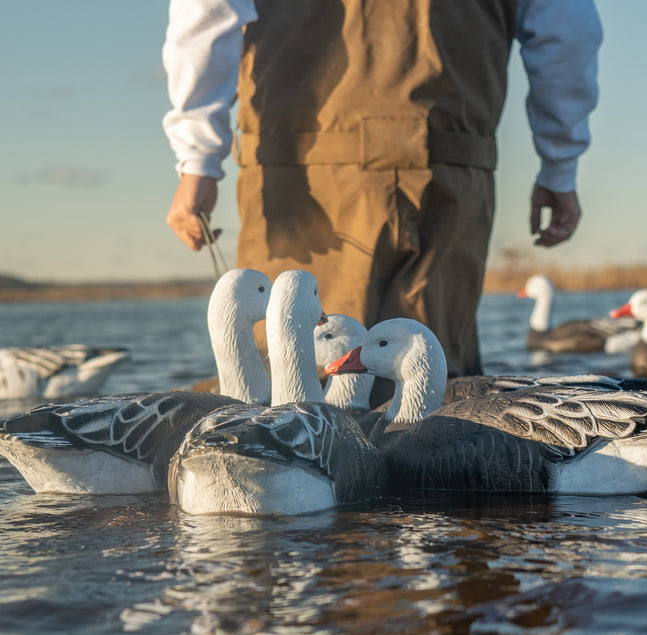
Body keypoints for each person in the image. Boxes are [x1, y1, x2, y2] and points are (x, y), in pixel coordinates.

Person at [163, 0, 602, 399]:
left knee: (293, 409)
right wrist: (560, 163)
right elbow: (565, 29)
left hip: (298, 181)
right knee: (434, 403)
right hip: (447, 172)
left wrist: (198, 158)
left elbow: (206, 14)